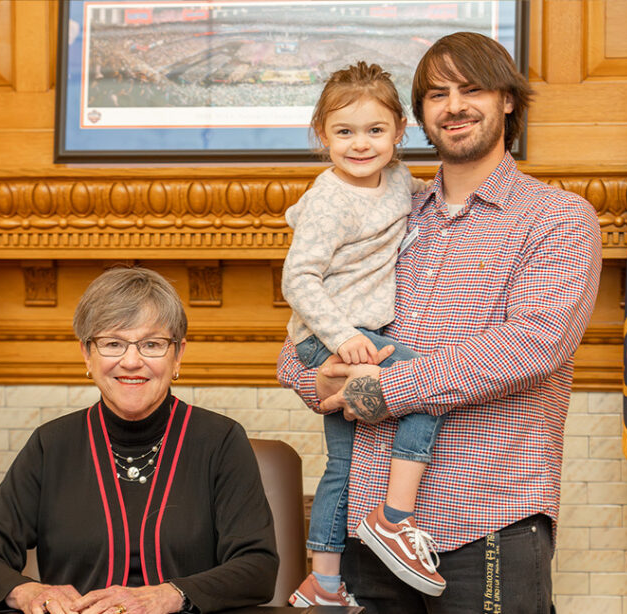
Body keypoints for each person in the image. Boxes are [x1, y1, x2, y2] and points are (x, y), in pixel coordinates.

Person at [278, 32, 602, 613]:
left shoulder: (557, 219)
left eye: (472, 89)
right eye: (436, 94)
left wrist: (380, 389)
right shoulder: (388, 209)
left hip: (485, 520)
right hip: (361, 530)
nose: (454, 105)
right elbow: (306, 333)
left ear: (507, 100)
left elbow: (526, 350)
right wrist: (313, 379)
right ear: (418, 117)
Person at [0, 267, 279, 614]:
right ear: (86, 354)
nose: (131, 361)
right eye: (113, 344)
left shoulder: (220, 441)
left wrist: (168, 595)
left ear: (178, 355)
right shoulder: (51, 445)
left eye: (152, 344)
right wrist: (31, 593)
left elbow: (257, 567)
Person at [281, 61, 445, 607]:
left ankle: (323, 580)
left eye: (375, 130)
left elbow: (423, 200)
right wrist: (340, 337)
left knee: (343, 463)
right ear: (320, 135)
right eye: (343, 132)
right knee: (429, 386)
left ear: (400, 132)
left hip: (358, 332)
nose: (359, 144)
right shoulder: (329, 202)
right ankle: (394, 517)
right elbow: (298, 278)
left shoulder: (399, 179)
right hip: (332, 335)